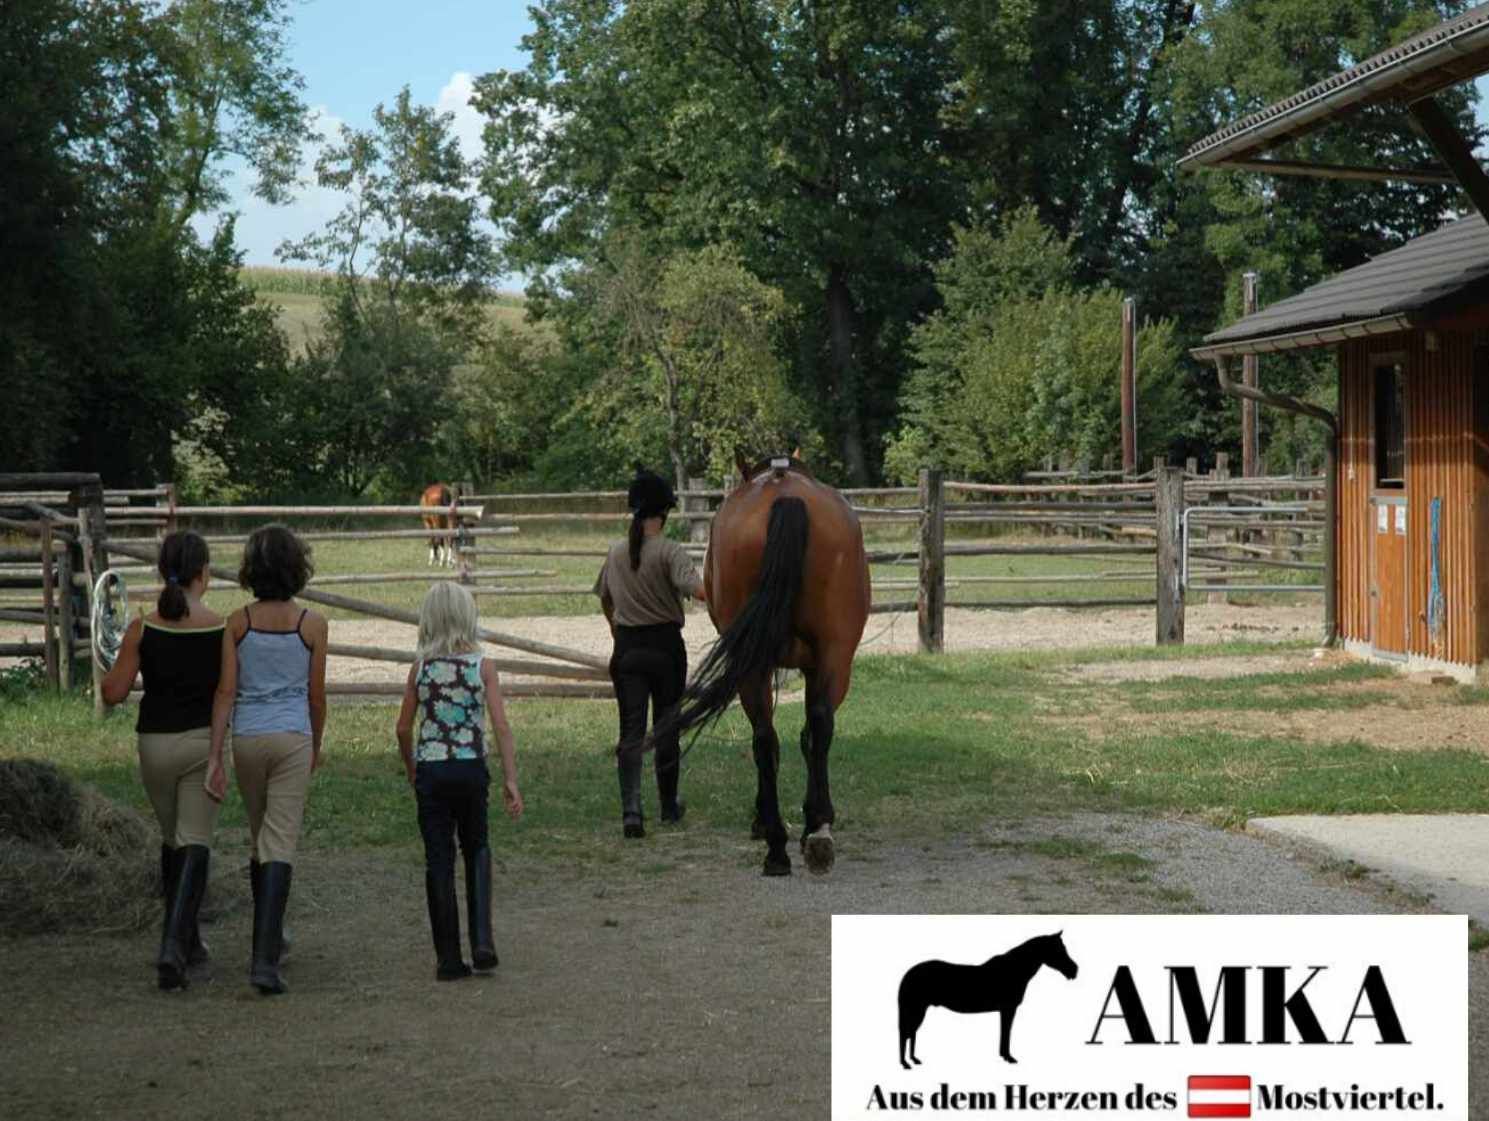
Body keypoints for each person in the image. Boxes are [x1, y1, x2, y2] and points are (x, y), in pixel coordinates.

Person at [205, 524, 328, 996]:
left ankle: (271, 939)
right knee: (279, 844)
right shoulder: (312, 624)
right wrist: (315, 743)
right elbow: (316, 697)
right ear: (298, 567)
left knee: (260, 839)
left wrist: (216, 754)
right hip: (292, 736)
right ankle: (265, 958)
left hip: (248, 738)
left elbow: (226, 692)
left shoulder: (236, 623)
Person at [100, 531, 223, 991]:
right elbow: (230, 690)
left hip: (153, 744)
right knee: (195, 842)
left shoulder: (142, 628)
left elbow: (114, 692)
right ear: (203, 573)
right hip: (201, 742)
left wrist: (114, 655)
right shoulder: (220, 628)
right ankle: (173, 947)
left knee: (173, 841)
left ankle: (187, 942)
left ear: (162, 571)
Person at [395, 582, 522, 981]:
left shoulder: (420, 669)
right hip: (470, 768)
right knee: (477, 846)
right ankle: (482, 941)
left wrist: (412, 767)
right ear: (468, 617)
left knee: (438, 858)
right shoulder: (482, 667)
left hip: (432, 771)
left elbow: (402, 728)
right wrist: (510, 779)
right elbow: (501, 726)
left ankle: (448, 958)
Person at [593, 466, 706, 838]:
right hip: (665, 650)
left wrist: (616, 629)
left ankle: (631, 811)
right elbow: (699, 591)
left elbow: (605, 598)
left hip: (627, 649)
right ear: (665, 512)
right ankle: (668, 806)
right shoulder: (671, 551)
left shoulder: (615, 552)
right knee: (666, 728)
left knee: (630, 732)